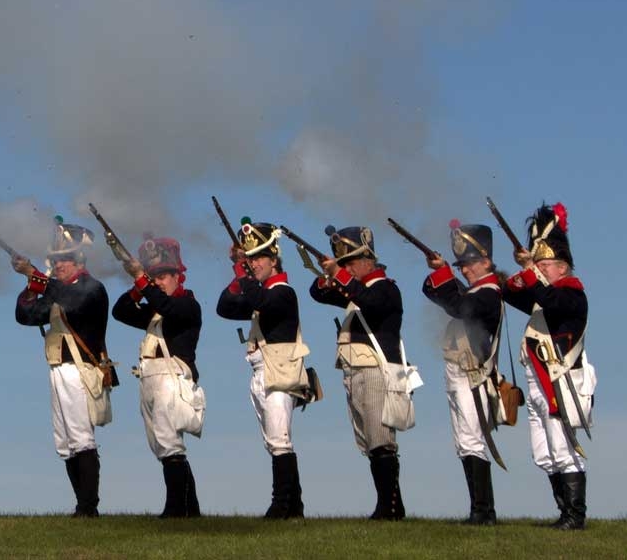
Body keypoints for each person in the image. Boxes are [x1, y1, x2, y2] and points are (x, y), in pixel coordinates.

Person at [13, 218, 113, 517]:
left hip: (80, 371)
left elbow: (73, 301)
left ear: (79, 261)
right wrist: (30, 285)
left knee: (82, 438)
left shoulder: (91, 289)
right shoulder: (57, 291)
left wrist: (38, 277)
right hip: (58, 370)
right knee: (66, 442)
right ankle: (82, 503)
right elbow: (26, 315)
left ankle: (88, 506)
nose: (58, 266)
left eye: (65, 260)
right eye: (55, 261)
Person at [307, 225, 407, 520]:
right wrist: (330, 274)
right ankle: (391, 505)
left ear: (367, 260)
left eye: (351, 263)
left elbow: (371, 303)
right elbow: (318, 293)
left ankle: (388, 508)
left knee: (381, 440)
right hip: (356, 371)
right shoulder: (356, 290)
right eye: (345, 264)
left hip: (377, 370)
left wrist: (339, 274)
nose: (348, 269)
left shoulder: (386, 288)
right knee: (370, 442)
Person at [503, 203, 593, 530]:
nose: (540, 270)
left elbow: (552, 304)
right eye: (538, 264)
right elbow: (508, 292)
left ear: (562, 267)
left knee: (564, 447)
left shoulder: (572, 294)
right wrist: (523, 267)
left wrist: (530, 272)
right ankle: (563, 512)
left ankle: (575, 517)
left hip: (561, 379)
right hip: (539, 381)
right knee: (544, 452)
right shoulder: (543, 291)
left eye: (545, 265)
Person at [215, 220, 309, 519]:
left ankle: (281, 504)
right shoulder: (261, 291)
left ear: (274, 259)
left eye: (259, 258)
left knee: (279, 439)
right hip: (262, 372)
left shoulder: (282, 291)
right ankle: (293, 505)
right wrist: (238, 273)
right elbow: (226, 308)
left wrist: (241, 271)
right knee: (274, 441)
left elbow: (259, 300)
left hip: (278, 372)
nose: (254, 264)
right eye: (251, 258)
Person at [111, 234, 204, 518]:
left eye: (164, 275)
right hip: (151, 377)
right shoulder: (155, 307)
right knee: (162, 447)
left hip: (172, 376)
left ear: (178, 276)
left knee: (170, 444)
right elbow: (120, 311)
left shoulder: (187, 305)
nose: (160, 281)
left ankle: (178, 508)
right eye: (156, 276)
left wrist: (142, 279)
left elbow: (168, 308)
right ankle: (189, 508)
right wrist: (139, 286)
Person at [421, 221, 503, 525]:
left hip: (474, 374)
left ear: (485, 262)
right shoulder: (474, 291)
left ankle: (484, 512)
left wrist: (445, 274)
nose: (466, 269)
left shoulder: (489, 293)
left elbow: (457, 306)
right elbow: (432, 290)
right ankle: (478, 510)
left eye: (469, 264)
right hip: (458, 372)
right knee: (464, 441)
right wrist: (442, 270)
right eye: (462, 265)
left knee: (472, 440)